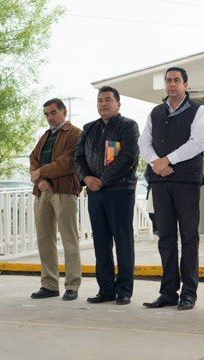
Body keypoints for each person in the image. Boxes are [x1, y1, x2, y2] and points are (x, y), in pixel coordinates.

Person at [139, 67, 204, 311]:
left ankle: (189, 294)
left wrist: (167, 160)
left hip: (186, 182)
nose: (172, 84)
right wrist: (157, 164)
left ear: (186, 85)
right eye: (168, 80)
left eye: (176, 80)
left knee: (189, 239)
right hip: (160, 182)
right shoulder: (155, 112)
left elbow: (198, 142)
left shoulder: (199, 110)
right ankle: (168, 292)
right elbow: (144, 142)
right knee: (166, 239)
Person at [74, 86, 140, 305]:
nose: (103, 104)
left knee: (123, 241)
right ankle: (105, 290)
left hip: (120, 189)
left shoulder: (128, 126)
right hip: (95, 192)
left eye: (108, 100)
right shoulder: (89, 128)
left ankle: (124, 290)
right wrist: (86, 179)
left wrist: (103, 179)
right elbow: (79, 158)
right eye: (100, 100)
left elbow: (128, 156)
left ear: (118, 104)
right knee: (101, 242)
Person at [29, 98, 82, 301]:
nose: (49, 117)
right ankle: (49, 285)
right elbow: (33, 158)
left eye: (53, 112)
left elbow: (67, 163)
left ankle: (72, 285)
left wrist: (41, 172)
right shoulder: (45, 136)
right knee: (44, 239)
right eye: (47, 114)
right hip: (42, 191)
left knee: (69, 239)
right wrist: (41, 179)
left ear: (64, 111)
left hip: (64, 191)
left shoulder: (75, 134)